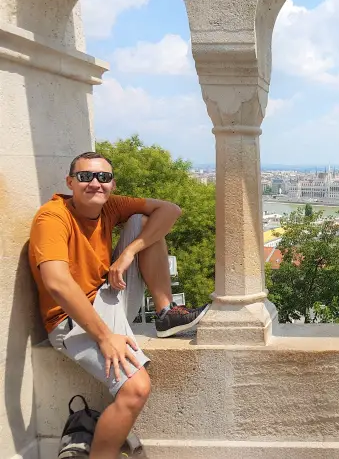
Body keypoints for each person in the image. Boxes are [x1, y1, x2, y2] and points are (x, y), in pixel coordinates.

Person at [28, 152, 210, 459]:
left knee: (144, 222)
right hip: (72, 318)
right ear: (70, 182)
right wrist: (104, 336)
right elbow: (57, 283)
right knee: (136, 389)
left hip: (108, 294)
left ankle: (165, 313)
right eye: (86, 177)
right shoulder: (53, 217)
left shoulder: (110, 205)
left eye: (104, 177)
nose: (95, 183)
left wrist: (128, 254)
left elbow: (170, 210)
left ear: (112, 183)